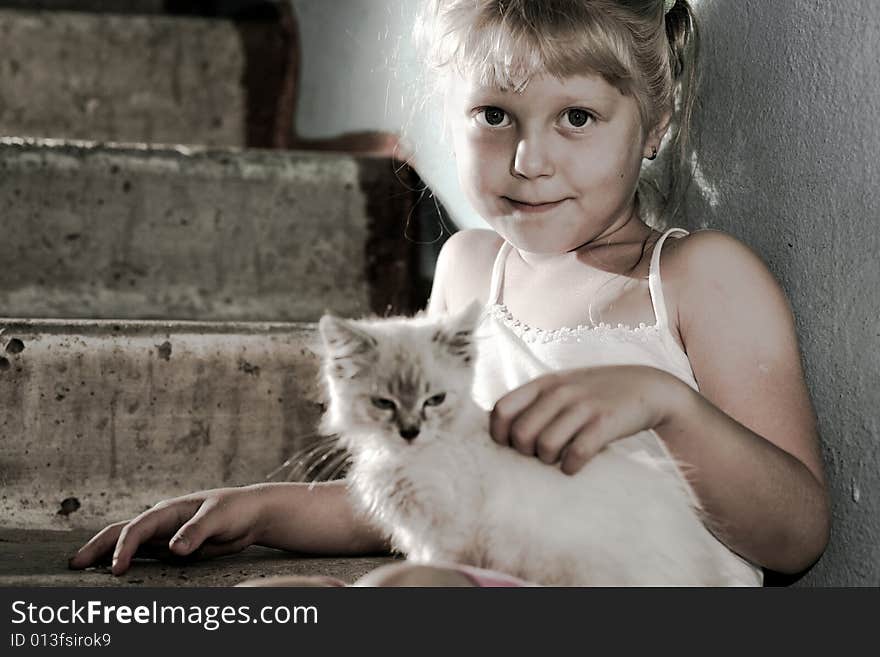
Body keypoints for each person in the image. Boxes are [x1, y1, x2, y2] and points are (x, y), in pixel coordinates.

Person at [69, 0, 830, 586]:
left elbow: (797, 535)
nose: (529, 159)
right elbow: (438, 486)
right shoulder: (471, 268)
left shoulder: (697, 277)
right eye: (495, 115)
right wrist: (261, 505)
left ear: (656, 123)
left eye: (577, 117)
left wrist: (667, 404)